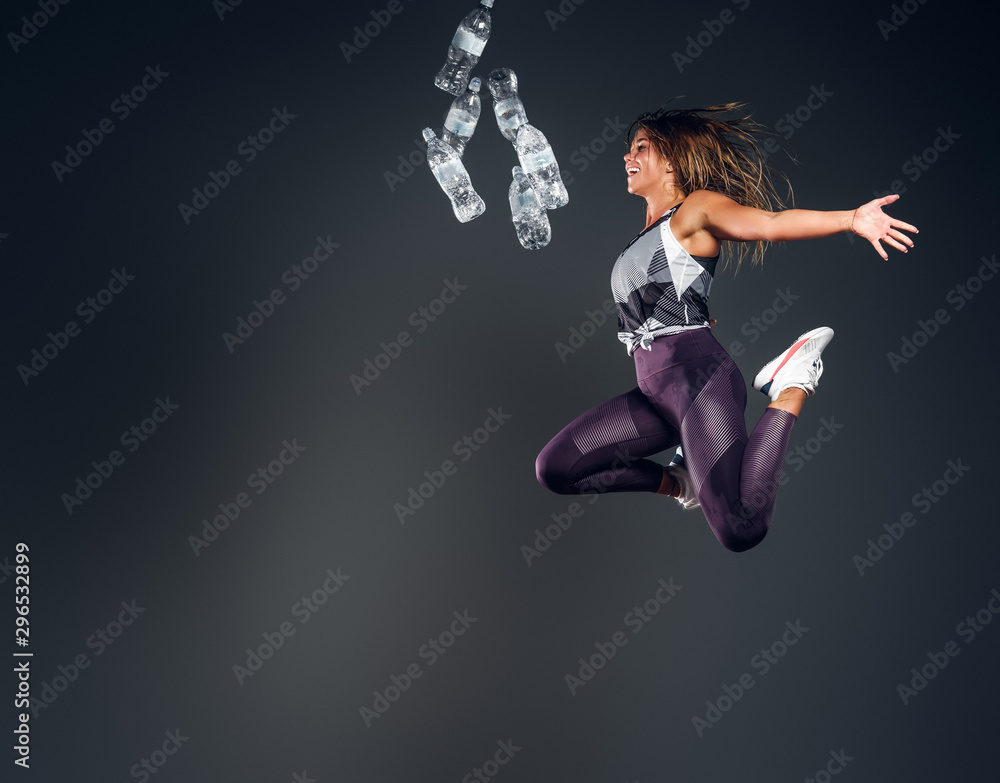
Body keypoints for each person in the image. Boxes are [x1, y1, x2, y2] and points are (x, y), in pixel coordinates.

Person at [535, 103, 917, 552]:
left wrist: (851, 219)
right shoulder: (644, 233)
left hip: (698, 380)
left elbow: (770, 225)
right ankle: (682, 483)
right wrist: (677, 484)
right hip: (655, 392)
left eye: (641, 146)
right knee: (557, 469)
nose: (627, 156)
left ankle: (790, 384)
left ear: (673, 159)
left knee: (741, 528)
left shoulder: (694, 210)